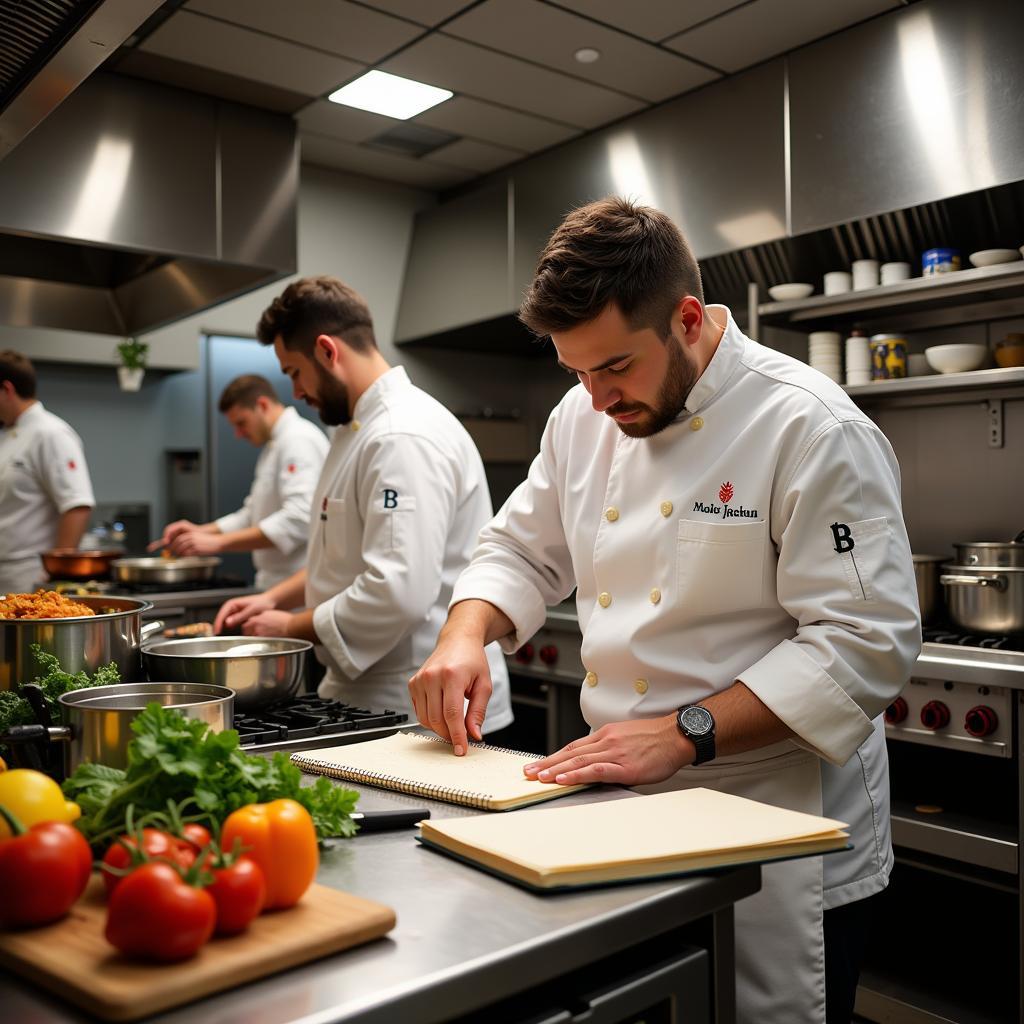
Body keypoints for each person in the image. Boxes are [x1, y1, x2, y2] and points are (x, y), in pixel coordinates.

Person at [409, 198, 921, 1024]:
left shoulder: (812, 427)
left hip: (780, 812)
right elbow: (519, 548)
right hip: (626, 806)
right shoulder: (582, 416)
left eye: (614, 367)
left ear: (687, 320)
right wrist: (465, 634)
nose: (597, 397)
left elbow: (866, 643)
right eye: (574, 371)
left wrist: (685, 732)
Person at [214, 276, 513, 732]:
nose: (294, 392)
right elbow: (342, 558)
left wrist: (289, 626)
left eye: (294, 372)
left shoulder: (399, 436)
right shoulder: (356, 432)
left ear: (327, 351)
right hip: (371, 691)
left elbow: (397, 590)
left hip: (420, 700)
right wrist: (273, 598)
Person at [152, 375, 328, 591]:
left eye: (241, 423)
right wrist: (200, 531)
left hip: (297, 585)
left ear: (262, 405)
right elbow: (251, 515)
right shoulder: (275, 445)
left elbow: (299, 518)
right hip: (275, 582)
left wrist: (219, 543)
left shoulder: (298, 440)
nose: (238, 434)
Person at [0, 350, 95, 593]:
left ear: (7, 390)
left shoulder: (50, 433)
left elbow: (77, 506)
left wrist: (54, 574)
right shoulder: (6, 435)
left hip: (29, 574)